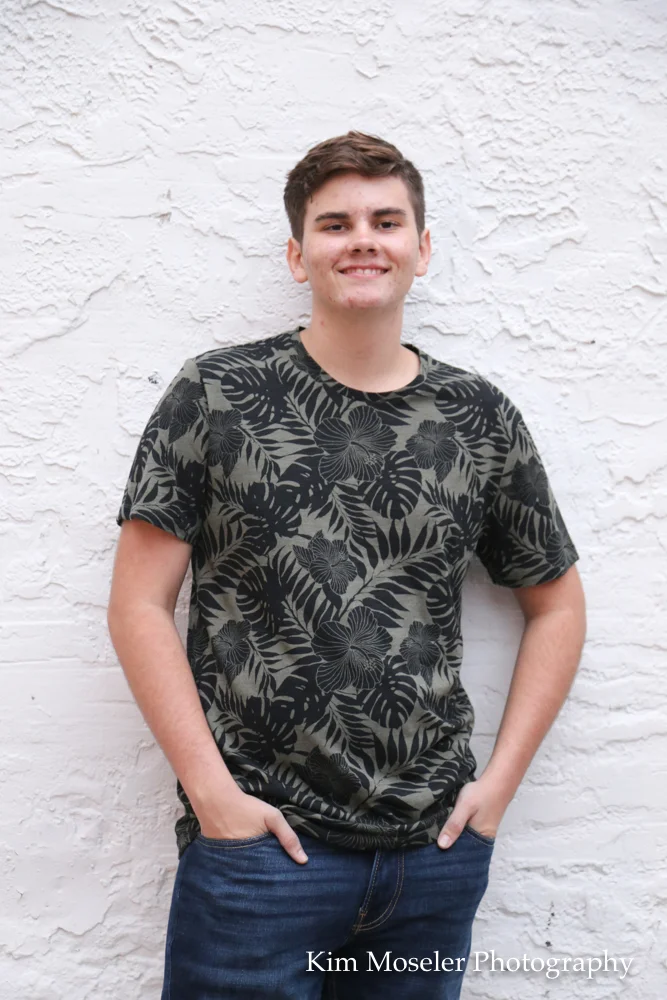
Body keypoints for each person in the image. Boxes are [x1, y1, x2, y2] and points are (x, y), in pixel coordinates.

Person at [107, 130, 586, 999]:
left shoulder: (477, 417)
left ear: (421, 249)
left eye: (385, 221)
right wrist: (213, 797)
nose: (362, 239)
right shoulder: (216, 394)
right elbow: (138, 604)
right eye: (334, 224)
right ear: (298, 256)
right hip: (260, 856)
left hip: (431, 858)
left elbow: (555, 604)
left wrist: (497, 789)